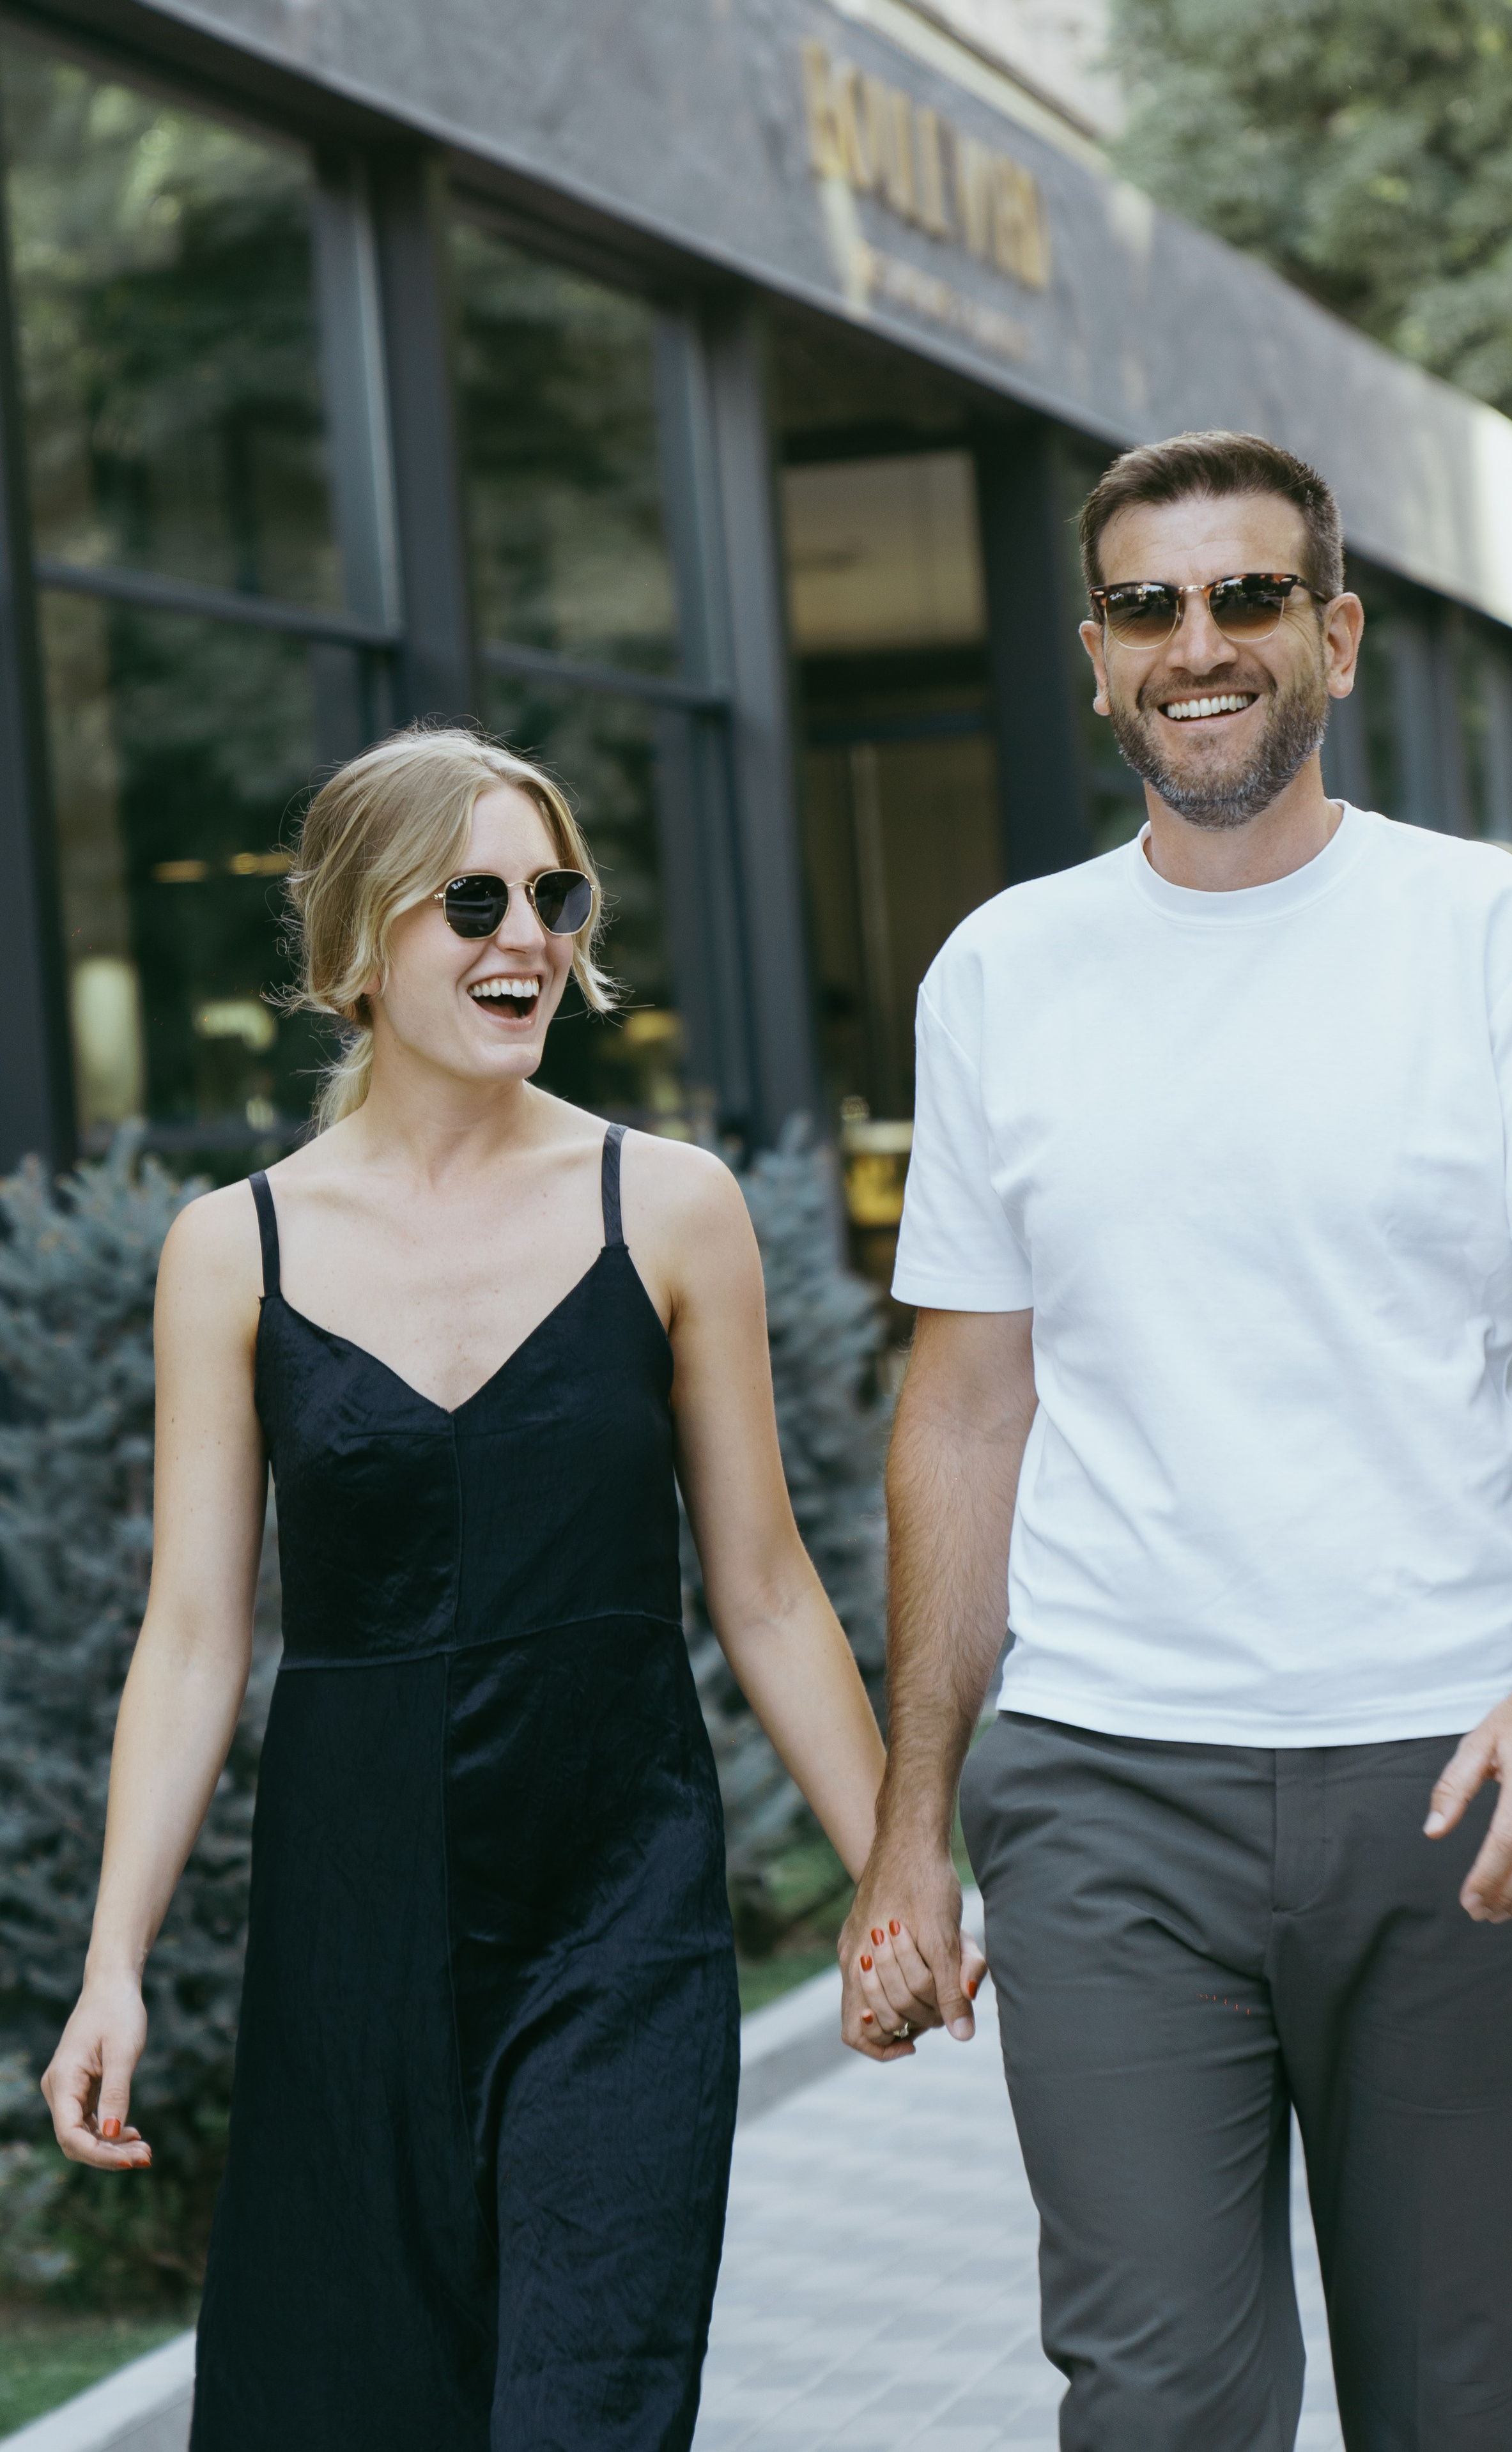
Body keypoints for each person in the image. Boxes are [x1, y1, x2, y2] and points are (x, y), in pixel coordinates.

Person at [838, 431, 1512, 2451]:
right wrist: (910, 1826)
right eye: (1148, 607)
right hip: (1107, 1787)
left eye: (1250, 596)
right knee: (1156, 2406)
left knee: (1457, 2404)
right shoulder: (1002, 971)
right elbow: (966, 1414)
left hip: (1452, 1784)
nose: (1199, 643)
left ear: (1336, 638)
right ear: (1098, 659)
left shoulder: (1502, 937)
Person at [39, 726, 955, 2451]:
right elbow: (194, 1637)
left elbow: (766, 1592)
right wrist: (114, 1965)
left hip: (619, 1906)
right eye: (471, 901)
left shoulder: (667, 1210)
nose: (525, 936)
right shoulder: (234, 1251)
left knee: (586, 2413)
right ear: (354, 943)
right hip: (349, 1927)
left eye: (555, 896)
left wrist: (894, 1882)